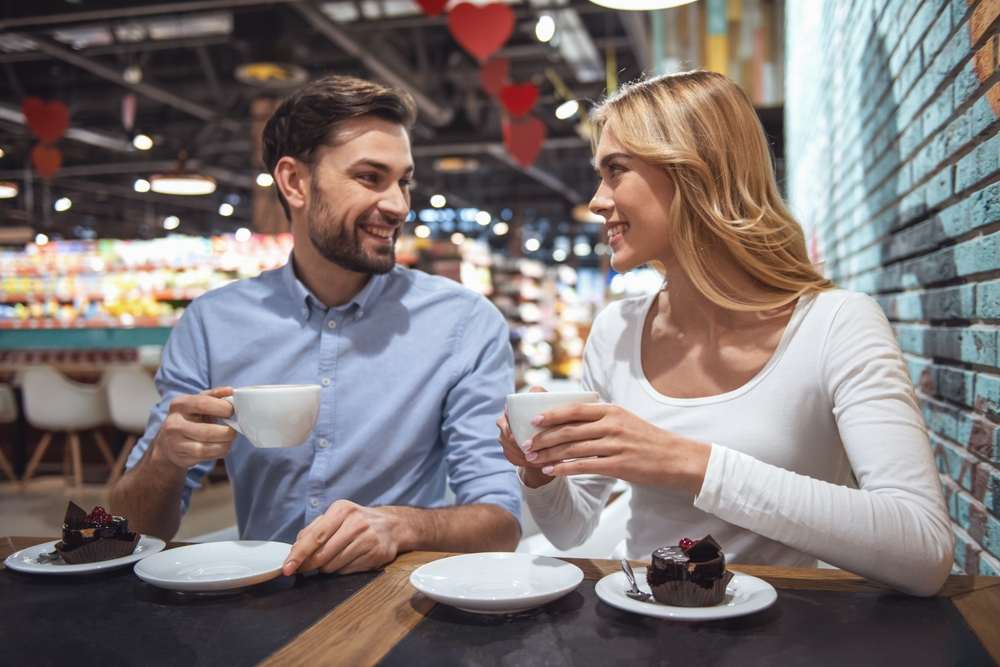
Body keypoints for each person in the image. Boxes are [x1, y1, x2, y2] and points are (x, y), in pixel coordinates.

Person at [497, 71, 953, 596]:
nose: (597, 200)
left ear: (693, 172)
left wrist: (688, 463)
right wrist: (540, 473)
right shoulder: (615, 331)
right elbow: (570, 526)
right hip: (641, 629)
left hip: (789, 637)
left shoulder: (835, 323)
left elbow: (924, 551)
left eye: (616, 170)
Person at [111, 75, 521, 576]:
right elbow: (129, 531)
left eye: (404, 181)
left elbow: (501, 522)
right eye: (371, 177)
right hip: (257, 603)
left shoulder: (463, 323)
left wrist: (403, 526)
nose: (398, 205)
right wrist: (164, 461)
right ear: (294, 182)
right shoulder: (212, 324)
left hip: (396, 607)